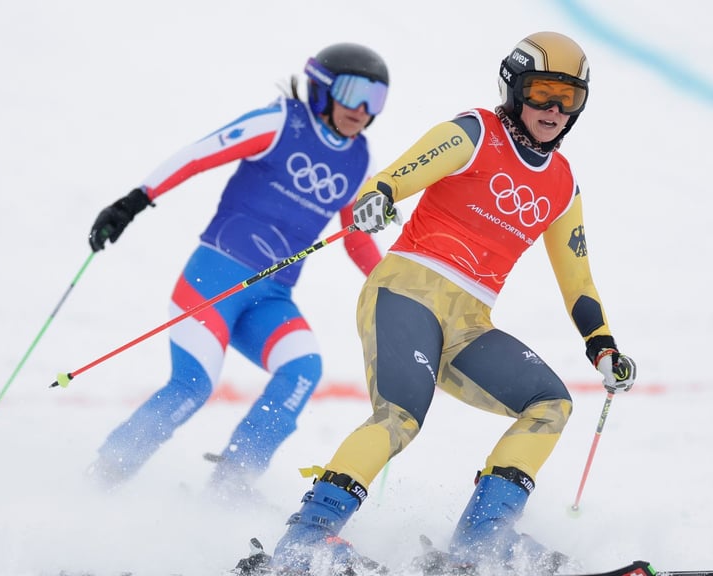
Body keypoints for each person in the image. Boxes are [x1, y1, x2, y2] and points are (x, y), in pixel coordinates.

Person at [248, 31, 637, 575]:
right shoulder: (474, 133)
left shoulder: (562, 184)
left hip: (469, 323)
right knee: (400, 417)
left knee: (551, 403)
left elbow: (579, 280)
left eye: (568, 98)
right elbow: (394, 177)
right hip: (406, 291)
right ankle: (305, 541)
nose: (553, 109)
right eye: (542, 92)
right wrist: (377, 197)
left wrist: (603, 347)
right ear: (514, 88)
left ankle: (480, 543)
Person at [84, 42, 390, 504]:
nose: (363, 109)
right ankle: (104, 475)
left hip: (272, 297)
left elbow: (356, 236)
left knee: (302, 369)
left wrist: (392, 283)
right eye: (353, 92)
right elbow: (198, 155)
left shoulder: (359, 159)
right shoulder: (281, 123)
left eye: (377, 99)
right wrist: (134, 201)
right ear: (323, 88)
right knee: (192, 385)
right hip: (214, 280)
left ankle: (233, 480)